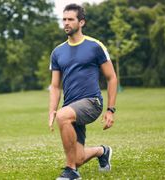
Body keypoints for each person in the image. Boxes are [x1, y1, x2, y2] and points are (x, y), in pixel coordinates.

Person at [48, 3, 118, 180]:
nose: (66, 23)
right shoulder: (57, 52)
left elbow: (111, 78)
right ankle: (102, 152)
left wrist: (110, 110)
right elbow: (55, 86)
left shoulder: (95, 46)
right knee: (78, 157)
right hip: (70, 106)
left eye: (70, 19)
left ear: (81, 22)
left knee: (63, 116)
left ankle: (71, 171)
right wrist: (51, 110)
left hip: (92, 102)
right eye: (64, 19)